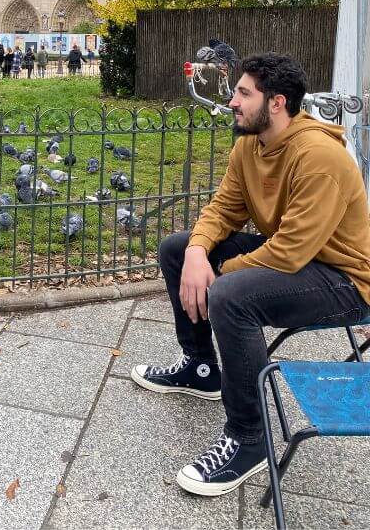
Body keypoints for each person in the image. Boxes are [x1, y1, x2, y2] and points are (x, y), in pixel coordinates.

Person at [131, 53, 370, 497]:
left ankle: (249, 439)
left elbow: (290, 251)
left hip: (346, 278)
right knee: (177, 250)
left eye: (243, 93)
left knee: (230, 295)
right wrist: (199, 252)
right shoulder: (250, 143)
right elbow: (224, 207)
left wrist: (216, 274)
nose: (233, 101)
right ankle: (201, 368)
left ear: (276, 102)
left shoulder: (319, 157)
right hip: (296, 258)